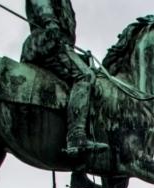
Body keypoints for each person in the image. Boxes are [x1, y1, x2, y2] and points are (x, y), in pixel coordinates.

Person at [21, 0, 109, 162]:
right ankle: (76, 135)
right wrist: (50, 21)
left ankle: (79, 171)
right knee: (85, 77)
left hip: (57, 43)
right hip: (46, 42)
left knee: (87, 83)